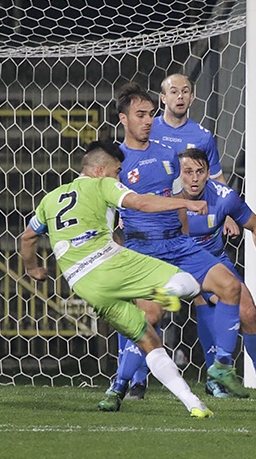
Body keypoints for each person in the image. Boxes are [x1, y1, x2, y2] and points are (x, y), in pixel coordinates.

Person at [20, 140, 213, 418]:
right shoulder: (101, 185)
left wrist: (33, 270)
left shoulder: (50, 200)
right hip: (109, 261)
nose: (119, 177)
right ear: (100, 170)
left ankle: (194, 403)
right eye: (117, 171)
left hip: (83, 284)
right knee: (190, 283)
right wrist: (186, 202)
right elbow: (140, 202)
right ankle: (162, 294)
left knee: (147, 339)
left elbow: (27, 238)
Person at [101, 82, 248, 410]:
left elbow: (175, 201)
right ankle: (120, 385)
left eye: (151, 114)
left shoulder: (168, 153)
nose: (148, 120)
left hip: (178, 245)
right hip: (143, 250)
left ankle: (222, 367)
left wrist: (186, 233)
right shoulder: (116, 160)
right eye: (140, 115)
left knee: (229, 286)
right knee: (148, 317)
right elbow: (111, 210)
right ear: (123, 119)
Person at [177, 148, 256, 401]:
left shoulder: (224, 197)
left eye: (199, 172)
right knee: (149, 313)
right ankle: (128, 384)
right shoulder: (165, 198)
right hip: (174, 261)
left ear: (208, 174)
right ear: (178, 174)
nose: (194, 178)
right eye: (187, 172)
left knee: (249, 313)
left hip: (214, 261)